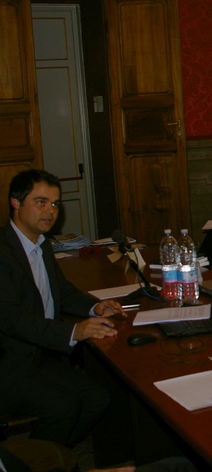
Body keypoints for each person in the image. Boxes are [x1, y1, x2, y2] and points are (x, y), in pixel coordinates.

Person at [0, 170, 126, 448]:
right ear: (16, 203)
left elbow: (62, 292)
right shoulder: (3, 251)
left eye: (55, 204)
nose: (50, 211)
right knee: (63, 408)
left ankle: (54, 456)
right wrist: (73, 330)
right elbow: (10, 319)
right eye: (41, 202)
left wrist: (95, 306)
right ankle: (30, 464)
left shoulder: (41, 244)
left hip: (40, 354)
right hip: (10, 361)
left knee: (98, 399)